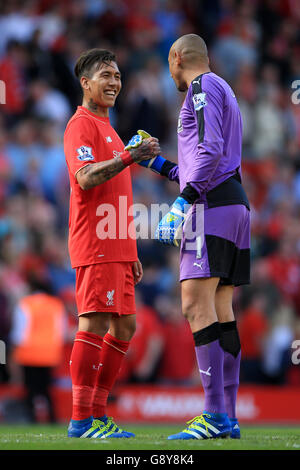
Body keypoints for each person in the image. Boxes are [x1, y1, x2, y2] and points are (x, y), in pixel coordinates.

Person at [134, 34, 250, 440]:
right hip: (233, 204)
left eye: (170, 66)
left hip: (210, 209)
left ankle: (214, 415)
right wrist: (157, 163)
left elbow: (210, 148)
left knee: (193, 304)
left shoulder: (201, 87)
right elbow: (205, 157)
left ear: (176, 57)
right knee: (221, 309)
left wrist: (181, 203)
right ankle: (228, 417)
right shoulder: (224, 89)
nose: (171, 75)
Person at [64, 48, 160, 439]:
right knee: (95, 323)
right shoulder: (80, 125)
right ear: (85, 82)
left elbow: (119, 193)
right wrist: (127, 156)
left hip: (118, 245)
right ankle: (80, 419)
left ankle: (100, 415)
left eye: (118, 76)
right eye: (106, 75)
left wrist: (131, 249)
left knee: (125, 328)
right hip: (95, 241)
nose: (114, 83)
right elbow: (85, 178)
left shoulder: (111, 128)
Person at [9, 276, 66, 423]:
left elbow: (20, 332)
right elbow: (61, 330)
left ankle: (32, 418)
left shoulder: (25, 304)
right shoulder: (56, 304)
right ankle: (52, 419)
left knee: (30, 389)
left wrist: (13, 353)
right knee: (46, 389)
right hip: (49, 353)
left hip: (29, 353)